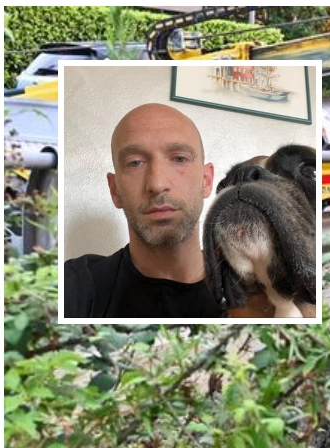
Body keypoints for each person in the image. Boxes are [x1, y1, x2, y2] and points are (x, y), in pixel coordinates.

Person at [63, 103, 225, 318]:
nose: (157, 184)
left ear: (206, 180)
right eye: (135, 163)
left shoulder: (259, 291)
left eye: (179, 158)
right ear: (115, 190)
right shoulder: (73, 286)